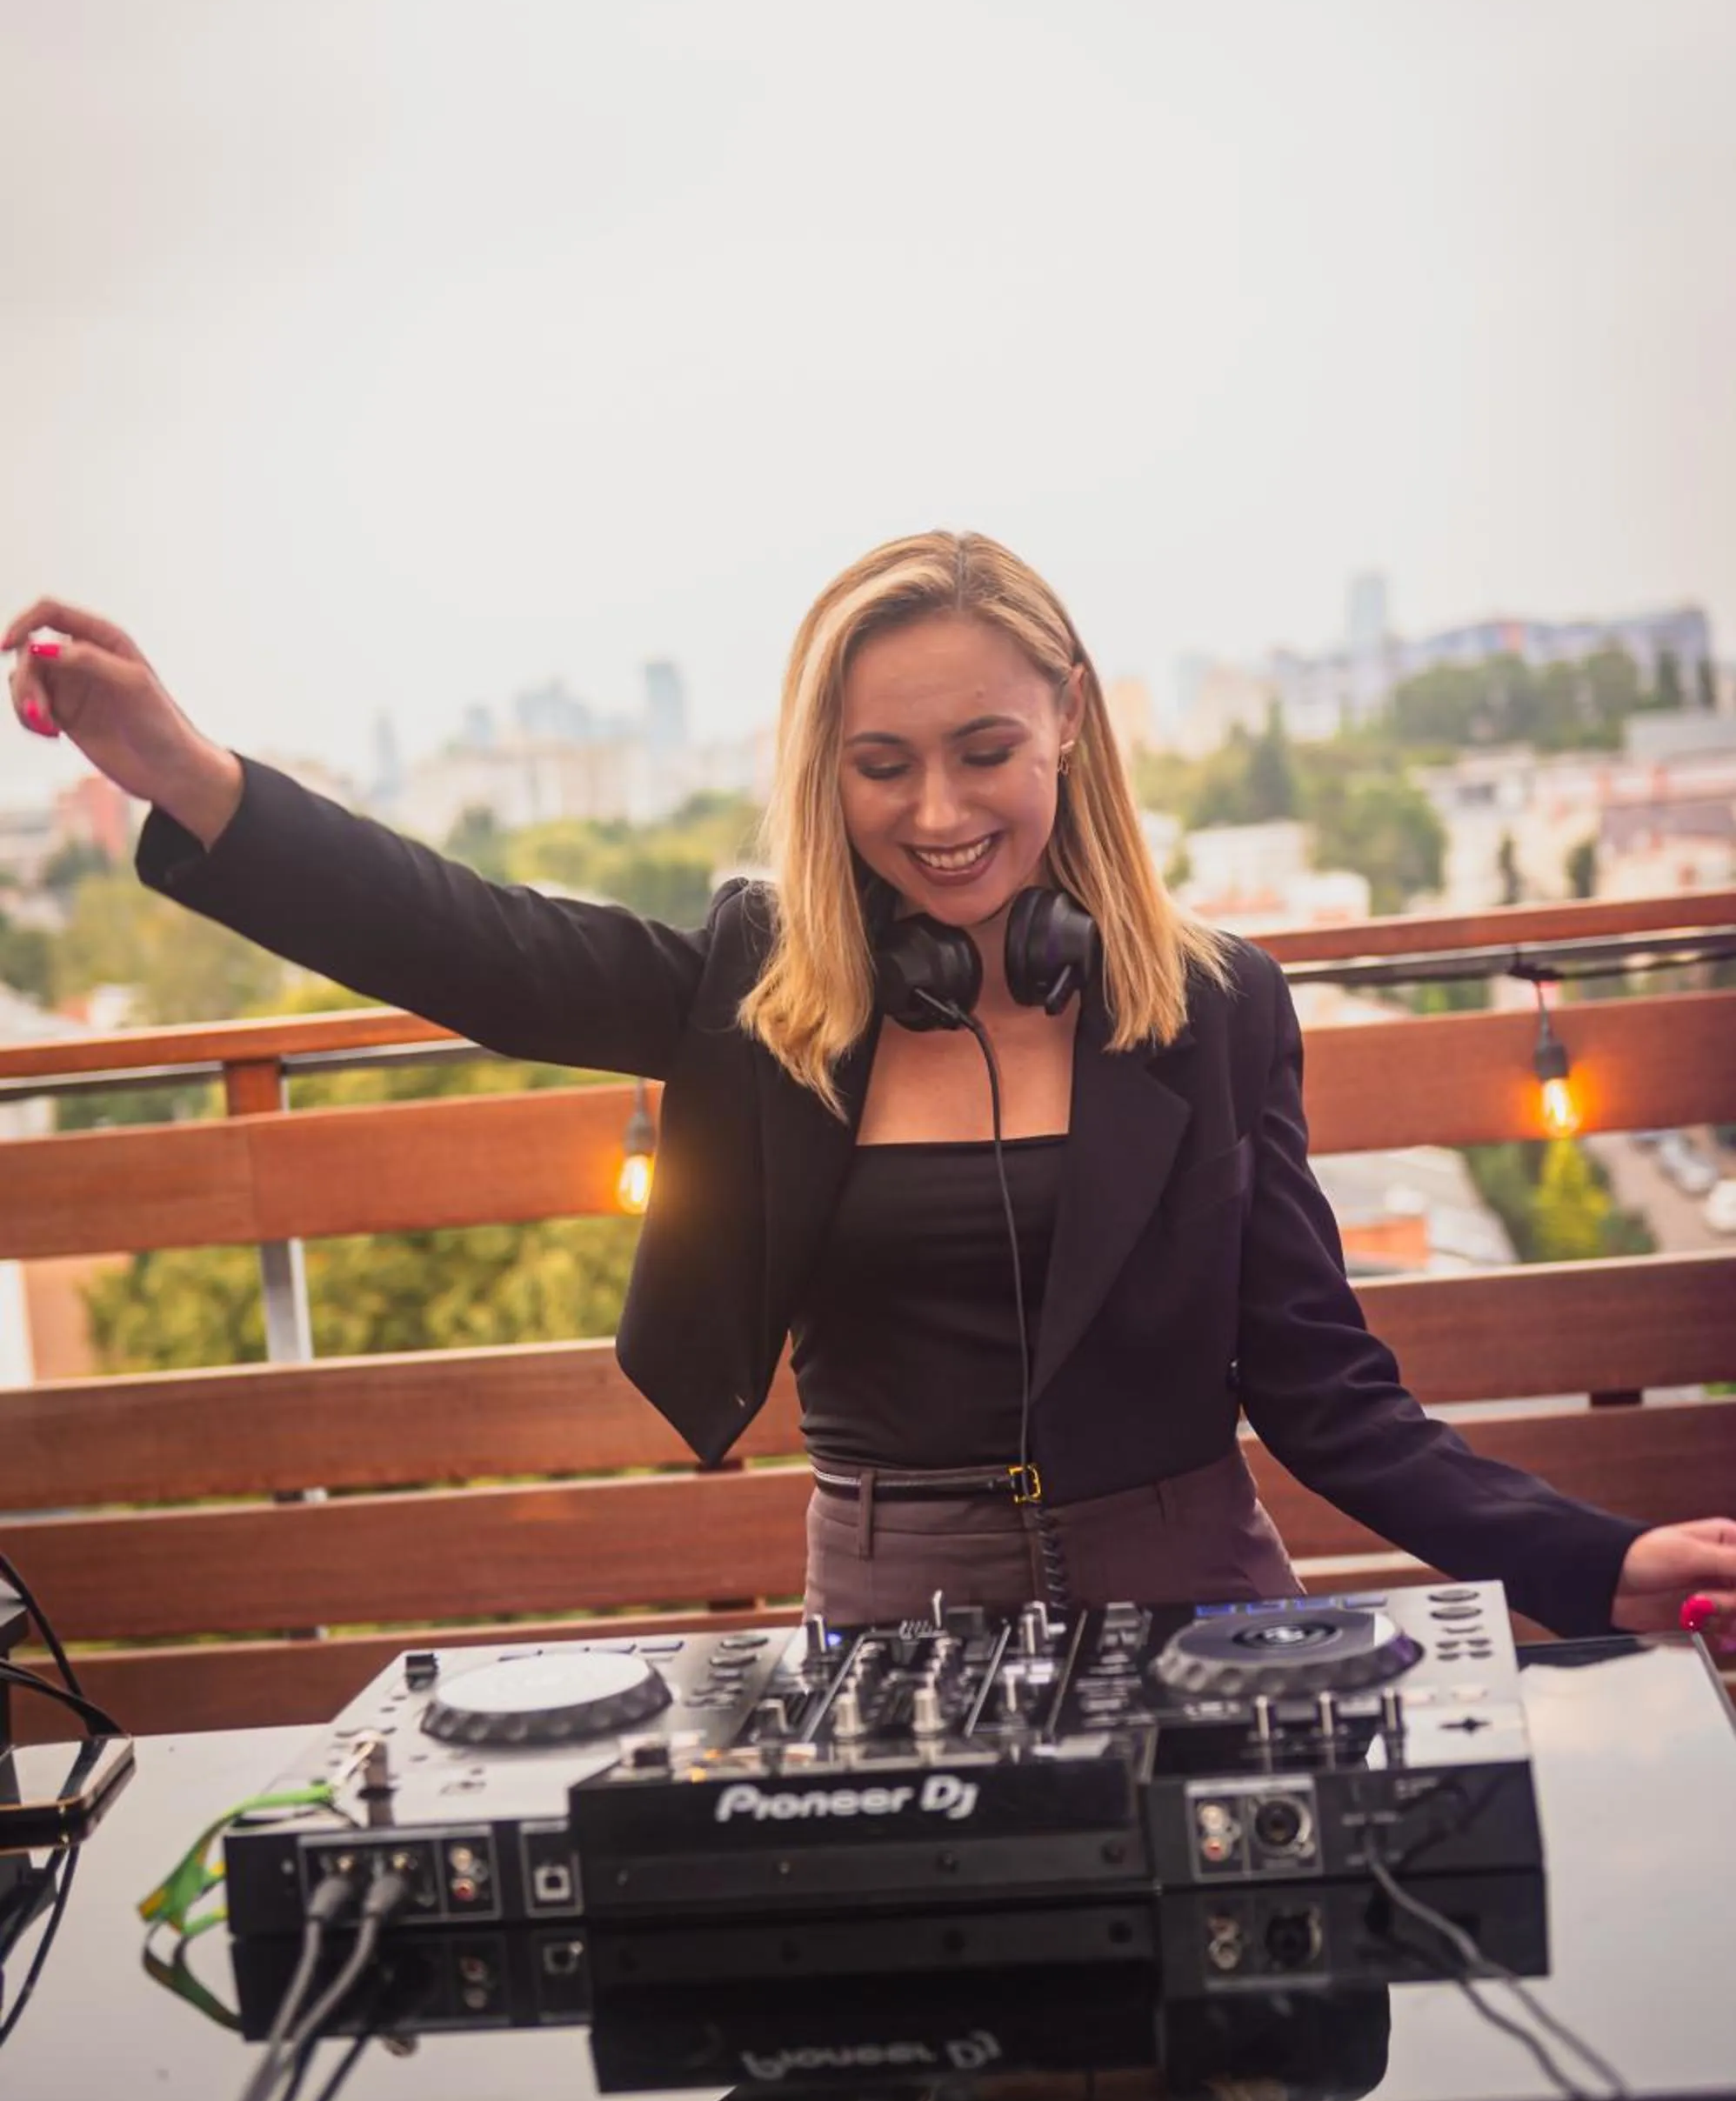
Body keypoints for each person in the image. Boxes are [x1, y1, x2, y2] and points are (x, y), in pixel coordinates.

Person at [7, 534, 1734, 1642]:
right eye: (878, 767)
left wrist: (1589, 1560)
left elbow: (1324, 1391)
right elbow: (472, 943)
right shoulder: (760, 994)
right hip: (885, 1625)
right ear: (819, 772)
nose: (935, 815)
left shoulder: (1216, 1007)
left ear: (1067, 722)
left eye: (982, 752)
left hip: (1202, 1608)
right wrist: (183, 772)